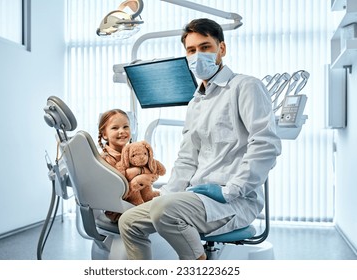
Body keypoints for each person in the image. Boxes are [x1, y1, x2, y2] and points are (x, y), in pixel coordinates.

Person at [118, 18, 282, 260]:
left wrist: (231, 190)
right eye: (191, 50)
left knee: (165, 211)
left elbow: (266, 146)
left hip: (233, 201)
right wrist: (167, 193)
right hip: (196, 196)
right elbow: (187, 158)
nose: (197, 55)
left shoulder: (245, 87)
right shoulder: (196, 101)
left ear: (221, 49)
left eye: (205, 47)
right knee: (128, 221)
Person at [98, 109, 157, 222]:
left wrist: (147, 173)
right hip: (119, 211)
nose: (122, 131)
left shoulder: (135, 153)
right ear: (104, 134)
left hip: (141, 205)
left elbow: (152, 171)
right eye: (115, 128)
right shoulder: (105, 160)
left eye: (126, 127)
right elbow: (113, 195)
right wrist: (137, 179)